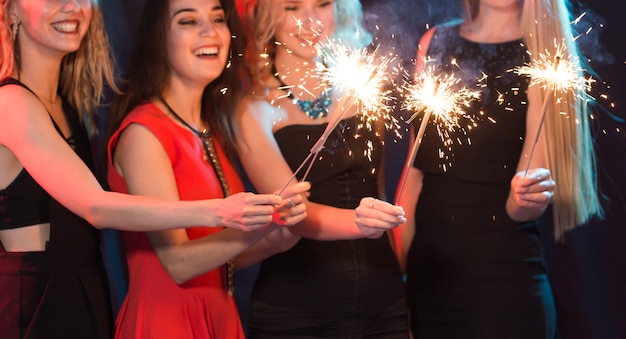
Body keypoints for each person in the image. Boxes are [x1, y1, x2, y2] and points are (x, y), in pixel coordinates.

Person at [0, 0, 294, 338]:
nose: (72, 6)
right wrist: (222, 212)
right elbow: (96, 206)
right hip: (35, 311)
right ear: (10, 11)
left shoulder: (67, 107)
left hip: (81, 299)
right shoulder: (11, 104)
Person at [394, 0, 604, 337]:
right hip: (426, 282)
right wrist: (397, 279)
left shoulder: (545, 58)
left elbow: (519, 206)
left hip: (503, 290)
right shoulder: (434, 42)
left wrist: (528, 196)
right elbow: (414, 174)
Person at [106, 0, 310, 337]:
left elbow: (218, 264)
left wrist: (278, 235)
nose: (209, 31)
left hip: (219, 318)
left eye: (217, 19)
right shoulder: (144, 133)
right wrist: (260, 226)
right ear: (159, 38)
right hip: (167, 323)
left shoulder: (209, 128)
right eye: (188, 21)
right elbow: (179, 264)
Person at [235, 0, 410, 337]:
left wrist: (401, 282)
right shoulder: (252, 109)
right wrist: (362, 223)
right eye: (292, 7)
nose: (310, 20)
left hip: (384, 305)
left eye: (323, 4)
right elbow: (293, 215)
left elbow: (379, 192)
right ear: (268, 16)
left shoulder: (363, 89)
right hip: (295, 313)